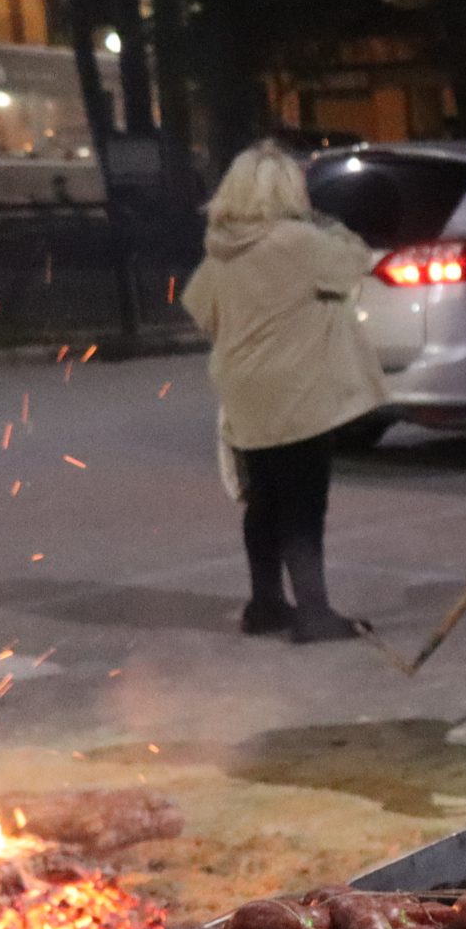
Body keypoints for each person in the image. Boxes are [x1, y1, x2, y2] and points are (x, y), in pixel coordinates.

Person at [181, 142, 385, 645]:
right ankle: (314, 613)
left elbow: (199, 307)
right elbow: (357, 260)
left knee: (264, 500)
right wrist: (324, 224)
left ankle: (266, 603)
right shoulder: (297, 241)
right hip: (298, 390)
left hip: (243, 389)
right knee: (303, 503)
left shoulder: (222, 248)